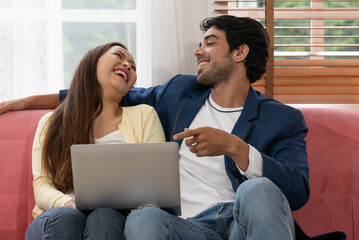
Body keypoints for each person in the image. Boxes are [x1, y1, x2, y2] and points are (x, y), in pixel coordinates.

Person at [3, 16, 340, 239]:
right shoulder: (180, 92)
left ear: (240, 52)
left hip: (243, 223)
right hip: (183, 227)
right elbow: (96, 90)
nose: (199, 50)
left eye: (210, 43)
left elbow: (297, 191)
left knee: (257, 189)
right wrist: (16, 103)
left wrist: (237, 148)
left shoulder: (282, 118)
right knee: (140, 220)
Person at [25, 42, 165, 240]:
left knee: (104, 216)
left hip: (118, 220)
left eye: (133, 67)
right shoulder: (51, 122)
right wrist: (69, 203)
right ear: (91, 63)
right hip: (58, 217)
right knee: (68, 217)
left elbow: (156, 185)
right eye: (119, 55)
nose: (127, 66)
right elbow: (42, 185)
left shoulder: (144, 115)